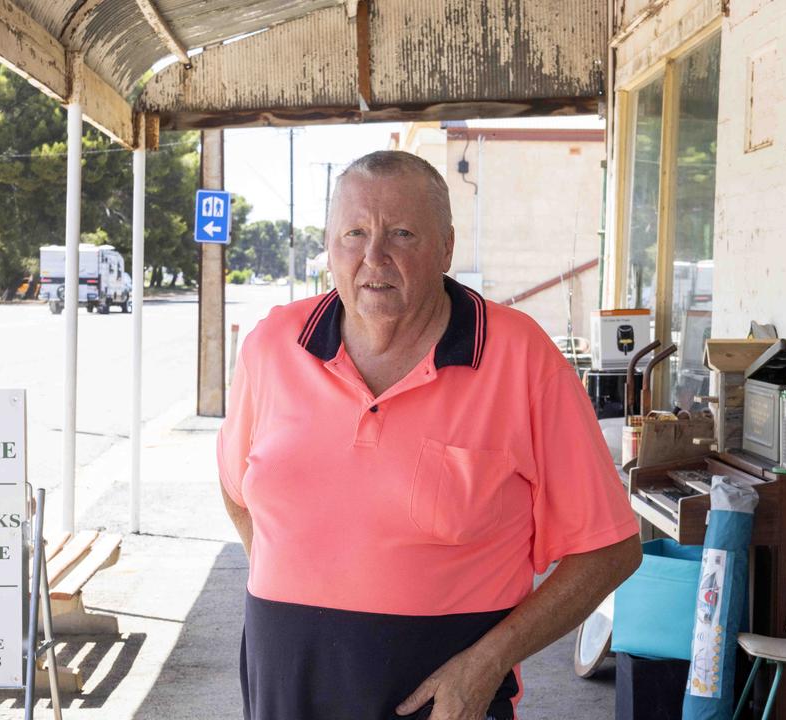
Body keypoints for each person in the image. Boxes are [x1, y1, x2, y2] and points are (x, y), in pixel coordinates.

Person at [218, 150, 641, 720]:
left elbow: (610, 549)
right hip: (283, 693)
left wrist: (487, 664)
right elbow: (237, 488)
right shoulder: (273, 346)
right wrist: (292, 586)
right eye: (354, 233)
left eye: (401, 233)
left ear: (446, 248)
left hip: (442, 704)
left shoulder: (519, 358)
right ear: (329, 244)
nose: (374, 257)